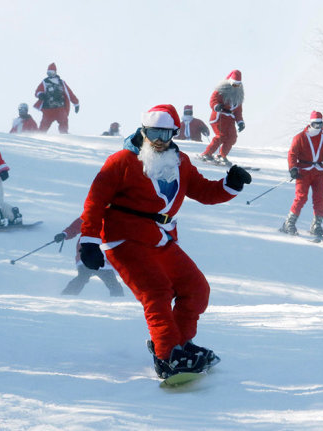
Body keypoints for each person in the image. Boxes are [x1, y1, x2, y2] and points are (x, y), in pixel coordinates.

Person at [78, 104, 252, 379]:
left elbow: (204, 191)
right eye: (152, 132)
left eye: (165, 133)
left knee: (195, 288)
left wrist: (230, 185)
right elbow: (95, 201)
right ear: (143, 131)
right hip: (124, 238)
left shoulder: (180, 162)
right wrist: (88, 240)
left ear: (174, 133)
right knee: (156, 292)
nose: (158, 140)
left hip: (160, 239)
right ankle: (167, 355)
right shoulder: (122, 161)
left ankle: (179, 345)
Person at [280, 111, 323, 238]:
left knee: (319, 198)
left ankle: (316, 225)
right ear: (310, 124)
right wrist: (293, 168)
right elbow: (292, 154)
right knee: (301, 197)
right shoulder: (300, 137)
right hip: (303, 172)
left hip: (318, 172)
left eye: (320, 124)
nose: (318, 127)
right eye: (315, 124)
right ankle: (289, 223)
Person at [54, 217, 124, 297]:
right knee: (83, 276)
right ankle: (67, 296)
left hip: (103, 259)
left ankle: (117, 300)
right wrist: (64, 234)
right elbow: (76, 226)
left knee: (112, 283)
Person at [200, 70, 245, 165]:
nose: (235, 87)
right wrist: (217, 106)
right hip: (219, 117)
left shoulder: (238, 96)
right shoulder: (221, 91)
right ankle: (207, 153)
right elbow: (213, 101)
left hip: (230, 119)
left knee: (232, 138)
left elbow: (238, 111)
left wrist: (240, 122)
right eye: (234, 84)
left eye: (238, 85)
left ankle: (222, 155)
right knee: (221, 136)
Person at [34, 63, 79, 133]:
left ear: (55, 72)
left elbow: (69, 93)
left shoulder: (61, 82)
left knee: (64, 120)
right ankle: (40, 135)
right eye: (48, 73)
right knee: (44, 124)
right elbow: (38, 91)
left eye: (51, 72)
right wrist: (40, 94)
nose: (50, 75)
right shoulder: (45, 82)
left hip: (59, 108)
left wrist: (76, 103)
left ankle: (64, 134)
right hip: (48, 108)